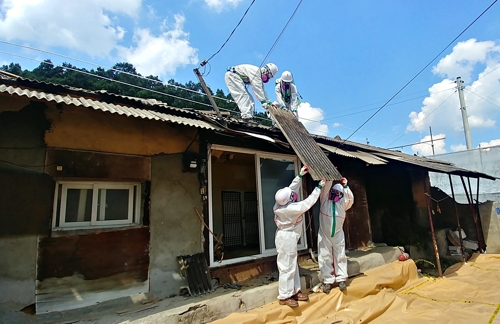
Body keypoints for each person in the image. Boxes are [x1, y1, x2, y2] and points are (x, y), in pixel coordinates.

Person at [274, 165, 326, 307]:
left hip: (287, 237)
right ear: (289, 200)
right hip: (286, 238)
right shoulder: (291, 209)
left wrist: (300, 175)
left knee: (293, 266)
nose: (293, 194)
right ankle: (284, 296)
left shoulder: (280, 204)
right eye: (291, 195)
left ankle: (295, 291)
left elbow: (291, 189)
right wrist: (319, 187)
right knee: (286, 267)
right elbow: (308, 202)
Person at [318, 177, 354, 292]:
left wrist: (345, 186)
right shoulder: (324, 200)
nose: (335, 194)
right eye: (333, 191)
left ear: (341, 195)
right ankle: (327, 280)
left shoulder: (343, 204)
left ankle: (342, 278)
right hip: (324, 234)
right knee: (324, 256)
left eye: (338, 193)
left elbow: (350, 199)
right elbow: (325, 189)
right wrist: (330, 178)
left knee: (340, 256)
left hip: (338, 234)